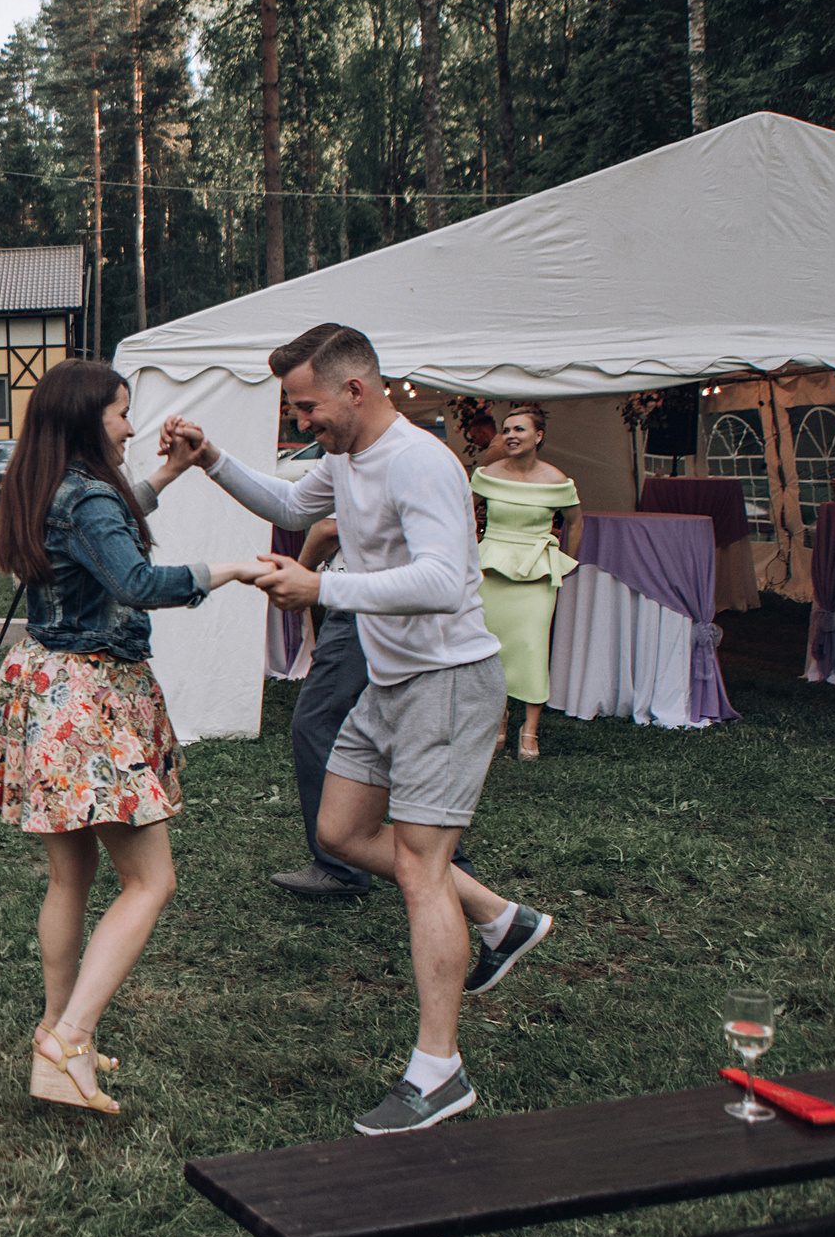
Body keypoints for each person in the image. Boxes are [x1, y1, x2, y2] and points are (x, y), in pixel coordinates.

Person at [171, 323, 554, 1135]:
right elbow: (283, 501)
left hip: (447, 681)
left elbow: (447, 580)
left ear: (356, 389)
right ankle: (499, 916)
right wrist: (210, 460)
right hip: (390, 680)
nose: (301, 421)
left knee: (419, 865)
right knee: (340, 831)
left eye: (306, 405)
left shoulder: (420, 463)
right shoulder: (344, 460)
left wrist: (326, 590)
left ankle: (439, 1072)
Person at [0, 359, 270, 1116]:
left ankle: (58, 1034)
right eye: (123, 412)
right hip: (89, 699)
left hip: (50, 687)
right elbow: (137, 581)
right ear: (88, 419)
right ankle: (69, 1039)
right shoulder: (89, 492)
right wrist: (230, 567)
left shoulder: (47, 483)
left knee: (72, 879)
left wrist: (170, 472)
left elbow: (105, 532)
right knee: (150, 881)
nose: (131, 424)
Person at [269, 517, 481, 901]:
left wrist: (301, 574)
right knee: (403, 725)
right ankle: (447, 866)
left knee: (317, 722)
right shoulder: (422, 464)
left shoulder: (361, 459)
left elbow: (327, 527)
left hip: (361, 600)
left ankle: (342, 868)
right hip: (398, 601)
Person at [471, 408, 582, 761]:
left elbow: (576, 523)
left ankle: (529, 730)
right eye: (505, 430)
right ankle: (499, 719)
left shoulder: (556, 480)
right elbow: (464, 513)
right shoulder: (487, 475)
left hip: (537, 572)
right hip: (492, 571)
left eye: (519, 429)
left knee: (534, 647)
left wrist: (563, 562)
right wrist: (472, 551)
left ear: (539, 436)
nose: (511, 435)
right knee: (494, 648)